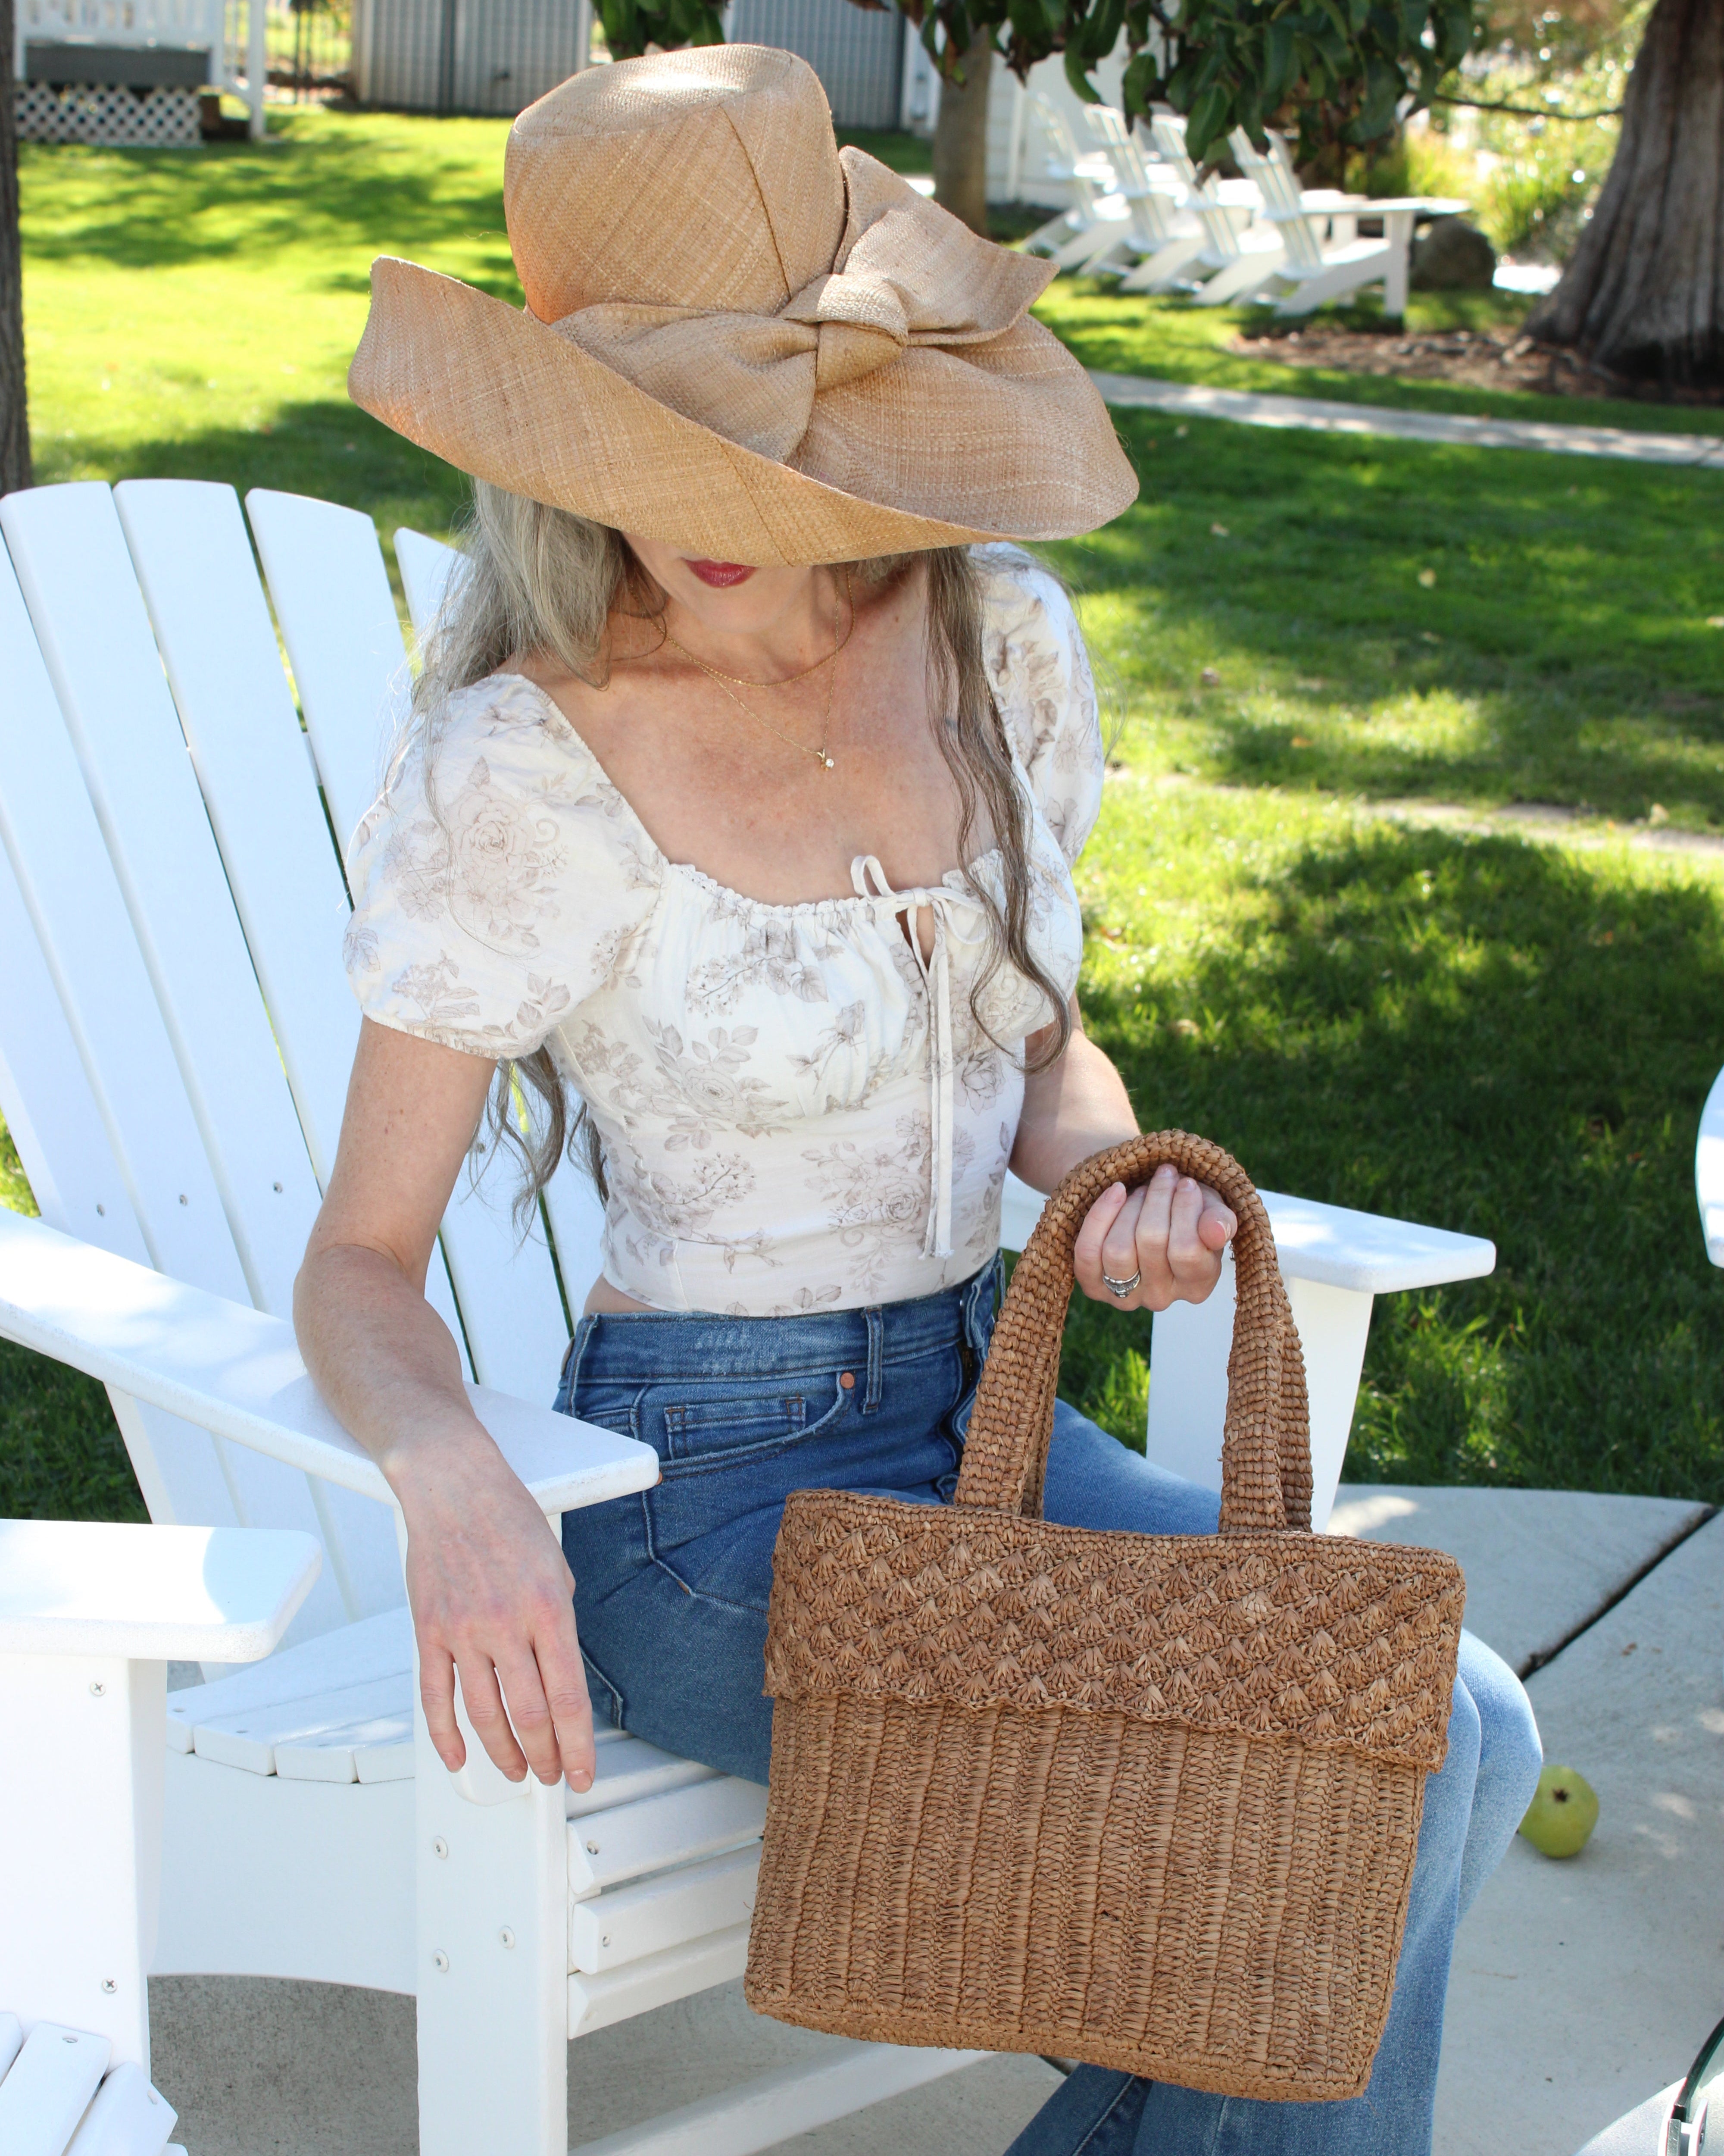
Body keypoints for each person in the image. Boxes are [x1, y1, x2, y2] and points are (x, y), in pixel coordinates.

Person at [294, 45, 1540, 2156]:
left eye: (736, 442)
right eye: (633, 445)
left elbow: (1045, 1056)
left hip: (986, 1413)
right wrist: (449, 1471)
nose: (684, 513)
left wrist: (1115, 1183)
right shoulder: (528, 764)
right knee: (1307, 1823)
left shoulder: (995, 647)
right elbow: (359, 1262)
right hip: (703, 1506)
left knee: (1455, 1732)